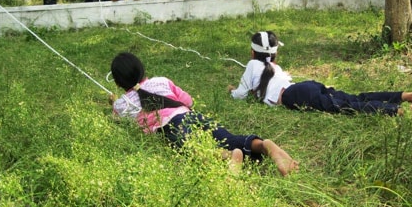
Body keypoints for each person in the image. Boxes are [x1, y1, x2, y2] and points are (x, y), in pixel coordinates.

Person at [110, 52, 299, 176]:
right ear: (142, 69)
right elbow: (189, 101)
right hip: (192, 116)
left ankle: (227, 157)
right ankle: (263, 145)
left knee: (191, 150)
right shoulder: (161, 81)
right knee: (228, 138)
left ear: (119, 83)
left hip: (170, 126)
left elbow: (117, 120)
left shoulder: (122, 103)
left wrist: (113, 102)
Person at [230, 31, 412, 122]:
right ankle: (408, 95)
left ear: (252, 52)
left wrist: (232, 91)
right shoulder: (274, 67)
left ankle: (402, 111)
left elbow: (240, 94)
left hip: (297, 96)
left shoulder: (253, 65)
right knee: (355, 98)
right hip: (305, 87)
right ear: (275, 53)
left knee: (348, 107)